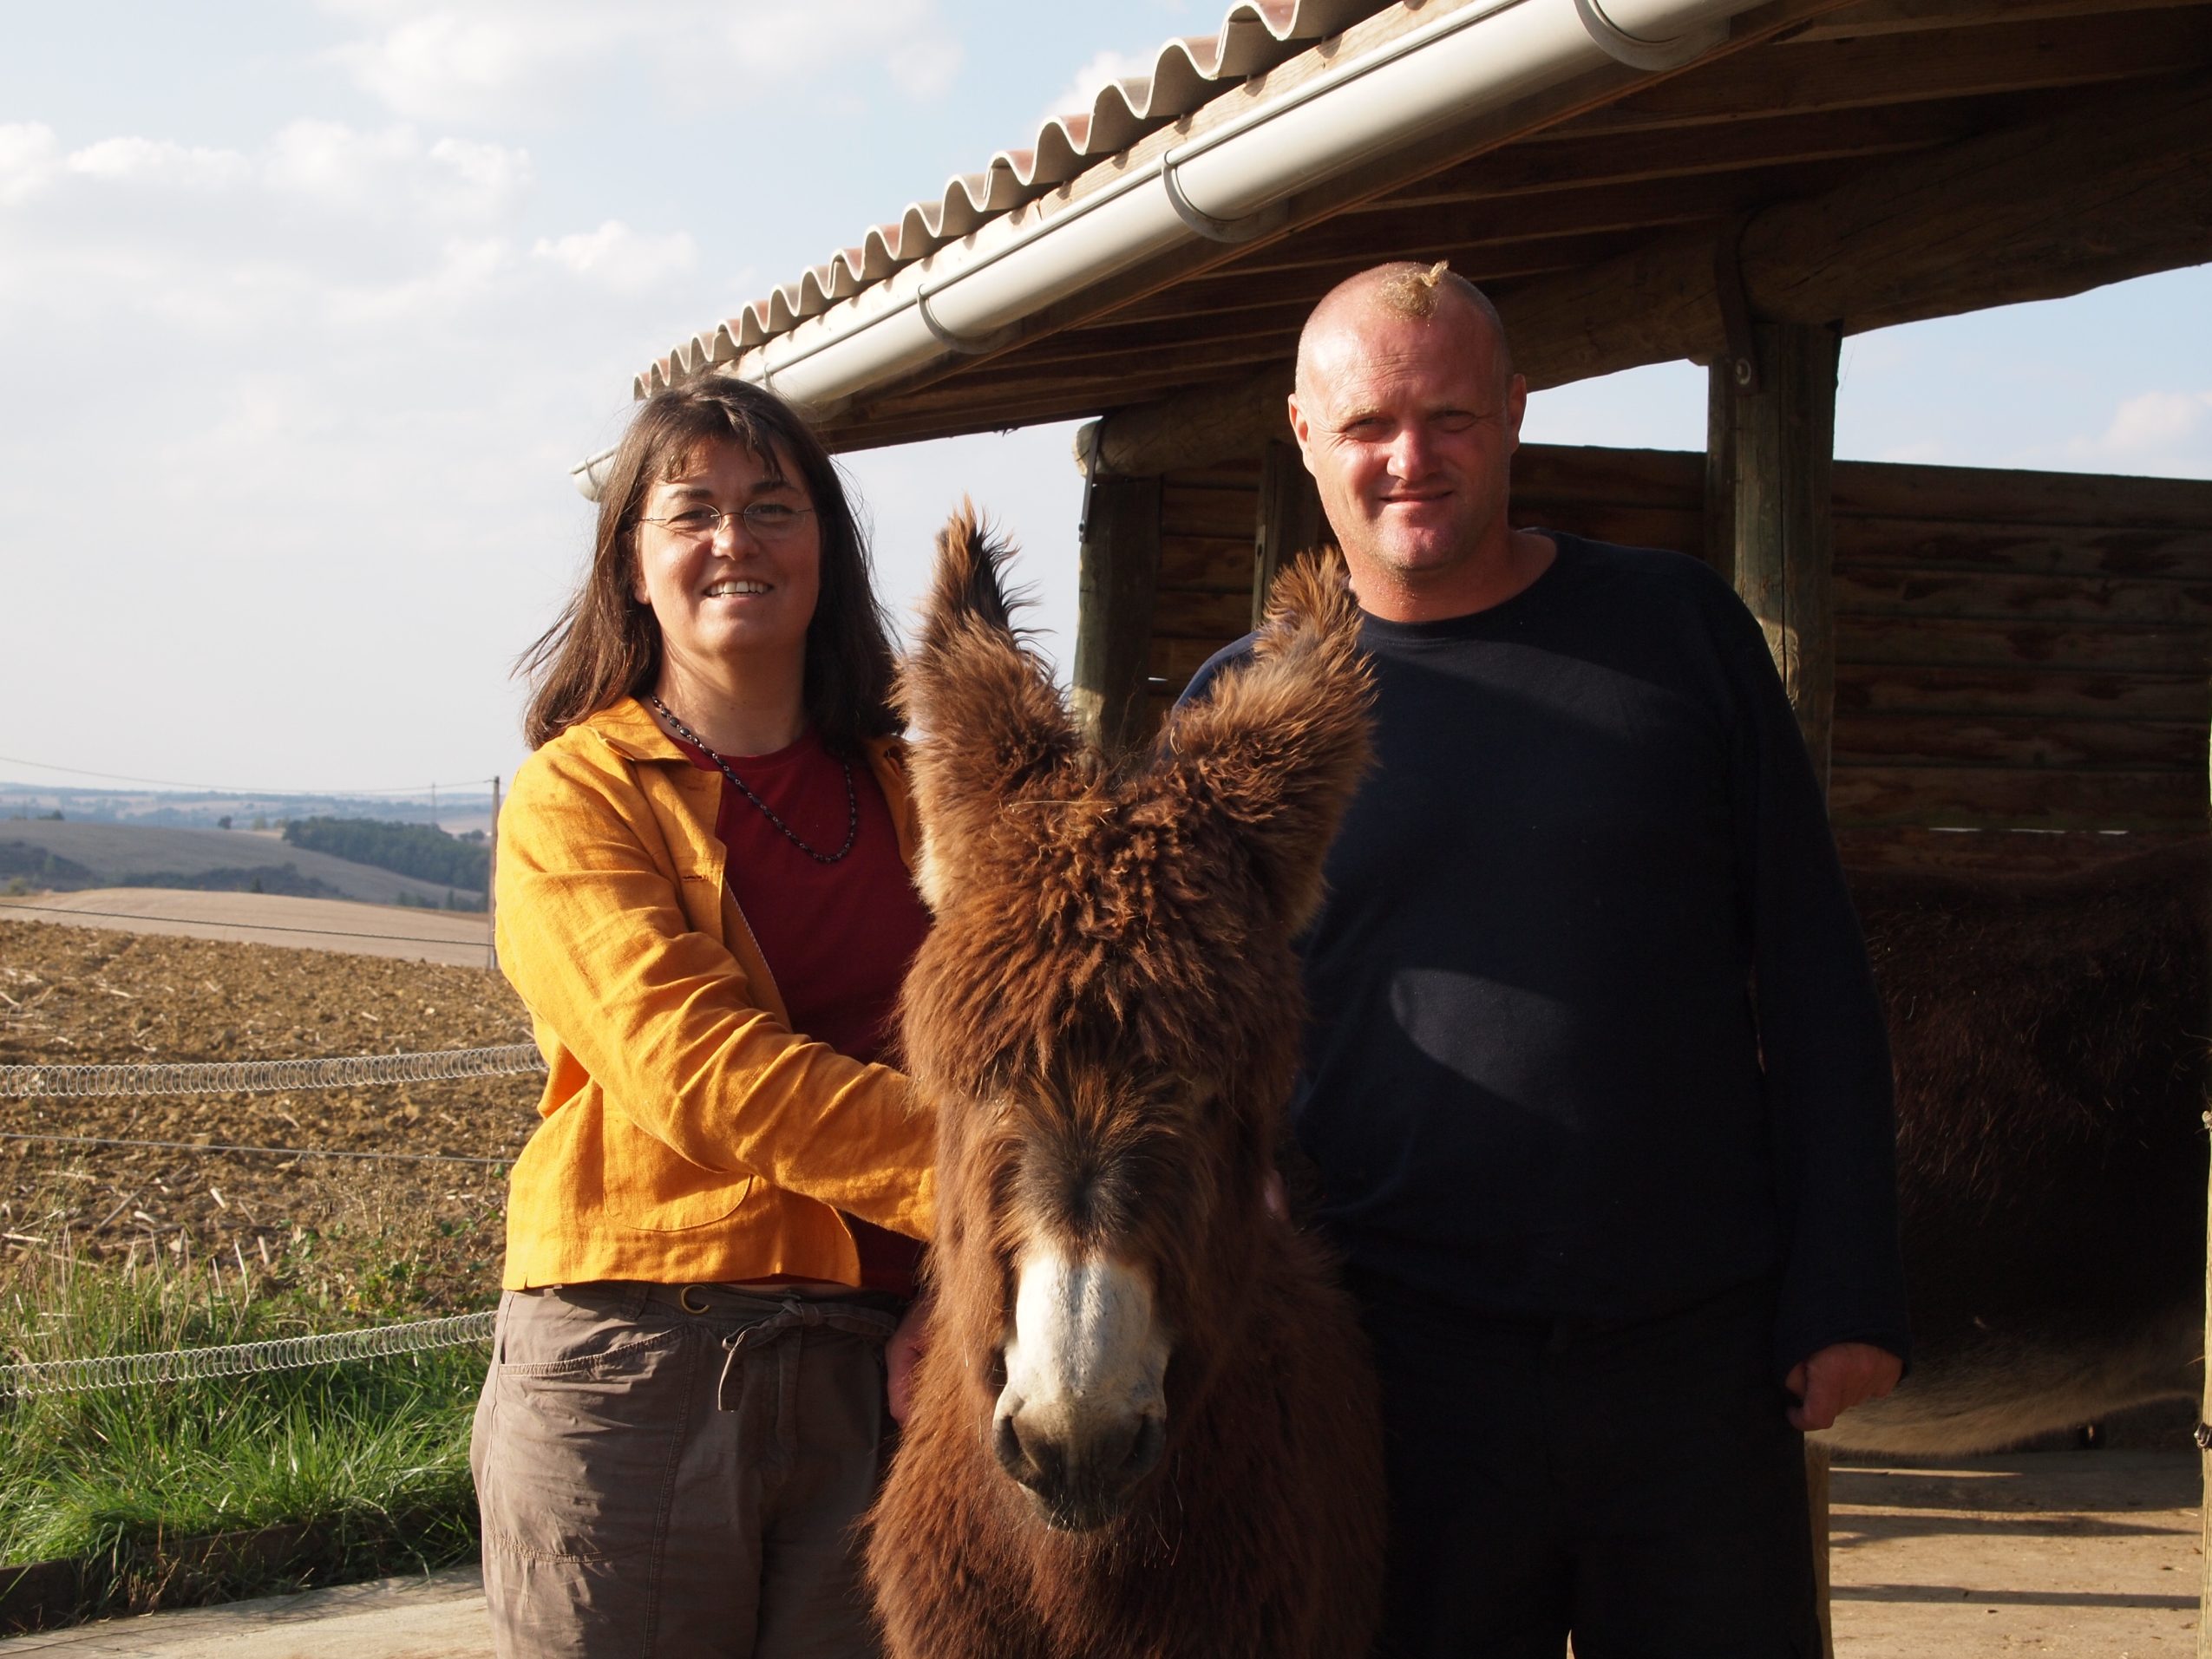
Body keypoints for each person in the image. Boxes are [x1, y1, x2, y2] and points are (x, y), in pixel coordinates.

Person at [1181, 261, 1908, 1657]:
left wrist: (1845, 1283)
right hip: (1391, 1368)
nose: (1410, 458)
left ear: (1516, 413)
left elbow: (1813, 967)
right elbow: (1185, 1041)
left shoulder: (1676, 633)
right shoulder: (1241, 709)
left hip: (1689, 1350)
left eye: (1449, 415)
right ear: (1300, 435)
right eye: (1368, 426)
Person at [473, 377, 936, 1658]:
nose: (734, 539)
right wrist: (1013, 1188)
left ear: (825, 548)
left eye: (772, 507)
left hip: (885, 1365)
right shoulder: (577, 794)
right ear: (631, 562)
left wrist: (975, 1280)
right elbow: (697, 1066)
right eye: (692, 511)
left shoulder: (923, 787)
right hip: (639, 1362)